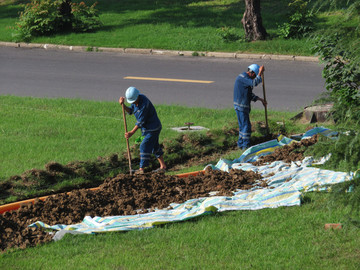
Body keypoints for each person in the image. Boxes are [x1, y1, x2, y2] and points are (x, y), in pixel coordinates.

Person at [119, 87, 166, 174]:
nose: (132, 102)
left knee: (144, 145)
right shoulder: (135, 102)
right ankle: (163, 166)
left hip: (153, 128)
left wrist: (131, 132)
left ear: (137, 96)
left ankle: (141, 169)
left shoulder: (144, 104)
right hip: (147, 129)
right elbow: (130, 111)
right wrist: (123, 105)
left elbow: (140, 122)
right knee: (154, 147)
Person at [233, 64, 267, 150]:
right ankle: (245, 146)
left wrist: (260, 99)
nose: (254, 78)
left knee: (243, 126)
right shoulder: (243, 78)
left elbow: (249, 94)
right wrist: (260, 73)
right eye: (254, 76)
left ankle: (240, 144)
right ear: (252, 73)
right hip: (241, 106)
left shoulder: (244, 79)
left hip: (240, 106)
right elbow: (254, 83)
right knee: (246, 127)